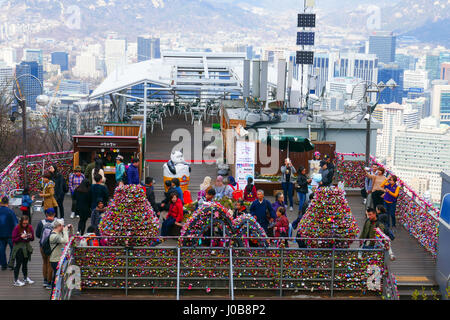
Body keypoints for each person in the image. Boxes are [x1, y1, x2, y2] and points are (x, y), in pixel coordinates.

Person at [35, 208, 56, 289]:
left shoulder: (41, 222)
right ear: (54, 214)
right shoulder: (56, 222)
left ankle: (45, 280)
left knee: (44, 262)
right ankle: (49, 282)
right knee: (50, 263)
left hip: (42, 246)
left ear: (46, 214)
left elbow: (37, 235)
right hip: (52, 246)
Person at [11, 216, 34, 287]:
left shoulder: (29, 227)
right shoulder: (17, 228)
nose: (25, 225)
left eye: (26, 223)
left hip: (26, 247)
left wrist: (30, 236)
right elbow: (13, 240)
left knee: (25, 263)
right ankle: (15, 280)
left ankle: (25, 278)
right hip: (19, 248)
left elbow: (33, 238)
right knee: (18, 264)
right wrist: (21, 237)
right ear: (21, 222)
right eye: (24, 223)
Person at [49, 220, 71, 291]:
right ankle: (54, 294)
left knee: (58, 278)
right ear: (59, 226)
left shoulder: (59, 233)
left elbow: (69, 238)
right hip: (55, 260)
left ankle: (55, 292)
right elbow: (65, 241)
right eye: (62, 225)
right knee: (56, 278)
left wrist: (70, 229)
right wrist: (65, 231)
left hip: (59, 259)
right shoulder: (53, 236)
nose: (64, 227)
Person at [0, 196, 18, 270]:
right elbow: (15, 223)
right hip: (10, 234)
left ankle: (3, 265)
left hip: (0, 234)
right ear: (8, 203)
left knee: (1, 249)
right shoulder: (10, 211)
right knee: (13, 249)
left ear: (1, 203)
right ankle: (11, 264)